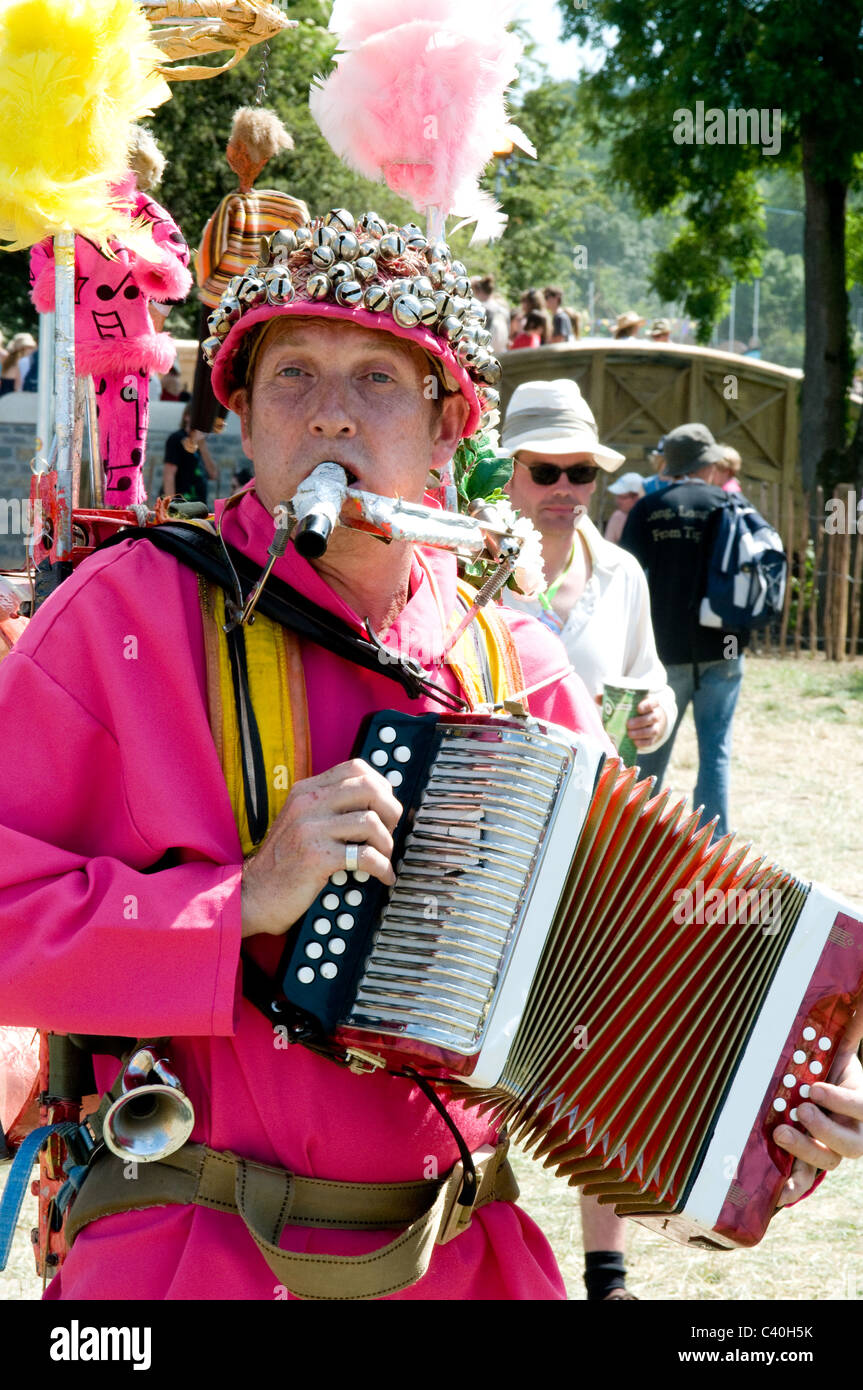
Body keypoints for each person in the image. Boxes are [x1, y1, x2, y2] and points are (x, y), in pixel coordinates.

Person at [0, 211, 622, 1302]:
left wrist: (764, 1112)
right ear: (239, 412)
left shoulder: (512, 652)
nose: (330, 409)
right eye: (290, 374)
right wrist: (236, 901)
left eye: (378, 378)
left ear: (449, 430)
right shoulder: (119, 616)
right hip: (192, 1262)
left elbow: (625, 964)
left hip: (465, 1264)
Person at [500, 378, 676, 1301]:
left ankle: (605, 1268)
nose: (565, 486)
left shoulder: (624, 575)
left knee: (598, 1048)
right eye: (545, 470)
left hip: (602, 843)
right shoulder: (466, 565)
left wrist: (657, 708)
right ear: (508, 474)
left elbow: (650, 683)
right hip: (498, 840)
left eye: (580, 470)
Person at [29, 126, 191, 504]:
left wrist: (153, 265)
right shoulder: (68, 210)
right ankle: (75, 513)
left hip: (123, 338)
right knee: (71, 434)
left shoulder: (137, 207)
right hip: (83, 340)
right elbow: (42, 258)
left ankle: (120, 512)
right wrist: (55, 277)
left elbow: (175, 254)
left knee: (122, 435)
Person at [620, 422, 746, 839]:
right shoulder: (732, 506)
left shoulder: (649, 507)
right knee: (717, 752)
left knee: (651, 746)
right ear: (707, 465)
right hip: (725, 647)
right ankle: (713, 843)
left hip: (665, 648)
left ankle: (638, 835)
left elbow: (626, 576)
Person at [189, 107, 309, 442]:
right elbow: (298, 252)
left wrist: (205, 281)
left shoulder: (233, 205)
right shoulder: (293, 208)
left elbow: (211, 252)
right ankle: (239, 423)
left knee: (208, 360)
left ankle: (202, 425)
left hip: (220, 296)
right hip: (259, 299)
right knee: (249, 362)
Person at [162, 407, 217, 504]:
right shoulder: (177, 438)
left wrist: (202, 446)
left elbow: (213, 474)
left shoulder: (201, 442)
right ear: (187, 416)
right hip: (181, 504)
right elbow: (169, 474)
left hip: (199, 504)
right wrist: (170, 504)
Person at [470, 273, 510, 356]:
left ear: (477, 290)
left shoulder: (480, 309)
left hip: (487, 355)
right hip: (502, 354)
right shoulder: (503, 310)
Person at [604, 470, 645, 544]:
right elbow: (608, 547)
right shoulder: (617, 517)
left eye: (622, 497)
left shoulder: (651, 517)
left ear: (637, 497)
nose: (617, 501)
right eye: (617, 496)